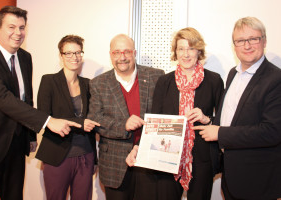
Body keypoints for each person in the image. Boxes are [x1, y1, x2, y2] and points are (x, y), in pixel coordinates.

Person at [0, 6, 81, 200]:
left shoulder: (25, 57)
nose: (18, 33)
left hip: (17, 146)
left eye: (22, 27)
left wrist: (30, 136)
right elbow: (4, 99)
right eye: (12, 27)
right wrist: (47, 121)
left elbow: (26, 98)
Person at [126, 27, 224, 200]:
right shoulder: (164, 81)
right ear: (175, 52)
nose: (186, 54)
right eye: (181, 49)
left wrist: (206, 119)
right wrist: (138, 147)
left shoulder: (214, 80)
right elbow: (154, 121)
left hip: (201, 159)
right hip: (167, 157)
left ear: (198, 51)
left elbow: (224, 120)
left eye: (191, 48)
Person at [194, 17, 281, 200]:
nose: (247, 45)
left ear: (264, 41)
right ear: (234, 46)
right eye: (240, 41)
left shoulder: (275, 79)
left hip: (257, 181)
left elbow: (272, 131)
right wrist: (209, 121)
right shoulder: (233, 73)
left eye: (253, 39)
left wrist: (220, 134)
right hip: (231, 177)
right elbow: (232, 118)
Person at [87, 34, 164, 200]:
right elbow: (95, 118)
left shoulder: (157, 77)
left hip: (149, 160)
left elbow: (163, 116)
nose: (122, 57)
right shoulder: (98, 83)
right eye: (116, 52)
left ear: (134, 52)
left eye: (127, 52)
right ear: (110, 55)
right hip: (115, 164)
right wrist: (123, 125)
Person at [35, 35, 100, 200]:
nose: (75, 57)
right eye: (69, 53)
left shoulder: (88, 84)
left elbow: (93, 118)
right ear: (61, 56)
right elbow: (43, 117)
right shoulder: (49, 81)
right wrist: (80, 123)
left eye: (78, 52)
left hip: (86, 155)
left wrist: (95, 160)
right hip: (57, 154)